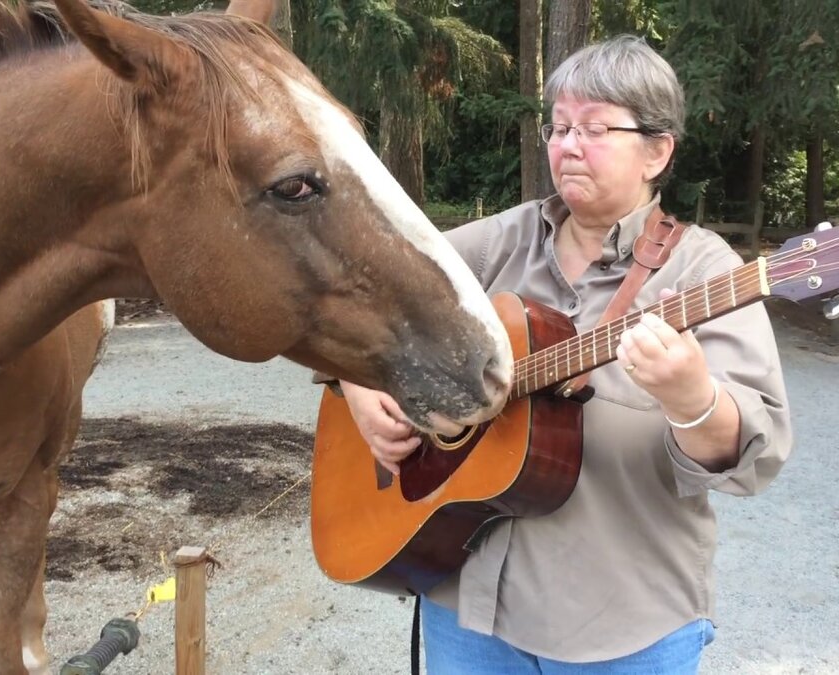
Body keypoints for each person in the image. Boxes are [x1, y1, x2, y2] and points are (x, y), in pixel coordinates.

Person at [332, 35, 793, 673]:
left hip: (624, 627)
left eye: (595, 128)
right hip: (467, 604)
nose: (568, 144)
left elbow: (751, 455)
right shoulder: (503, 240)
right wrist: (359, 384)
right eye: (559, 126)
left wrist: (693, 399)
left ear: (657, 150)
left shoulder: (705, 271)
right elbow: (347, 286)